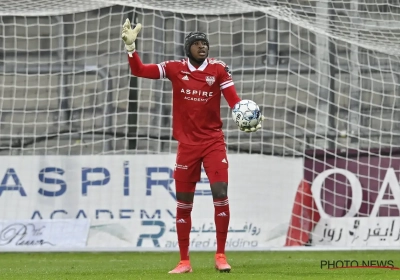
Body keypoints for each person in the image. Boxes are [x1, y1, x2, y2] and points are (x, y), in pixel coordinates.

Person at [121, 19, 264, 274]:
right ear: (188, 48)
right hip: (187, 146)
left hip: (213, 143)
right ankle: (184, 261)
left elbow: (234, 100)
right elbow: (140, 71)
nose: (202, 47)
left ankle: (220, 255)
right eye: (197, 44)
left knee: (220, 193)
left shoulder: (219, 69)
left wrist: (245, 114)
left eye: (205, 43)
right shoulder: (174, 68)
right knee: (184, 203)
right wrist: (132, 50)